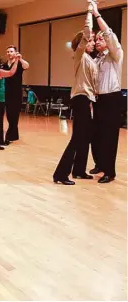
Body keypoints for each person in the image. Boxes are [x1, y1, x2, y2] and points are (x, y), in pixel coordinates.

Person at [52, 1, 97, 185]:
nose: (92, 42)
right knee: (78, 137)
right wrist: (90, 11)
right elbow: (86, 32)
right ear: (83, 43)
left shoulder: (91, 60)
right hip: (80, 98)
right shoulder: (80, 55)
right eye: (91, 40)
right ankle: (61, 174)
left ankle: (79, 170)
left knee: (85, 136)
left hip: (88, 99)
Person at [89, 0, 124, 183]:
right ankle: (100, 164)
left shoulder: (116, 55)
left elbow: (109, 35)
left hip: (111, 98)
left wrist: (96, 13)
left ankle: (109, 171)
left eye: (100, 39)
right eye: (97, 39)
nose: (98, 41)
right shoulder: (96, 60)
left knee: (109, 136)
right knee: (96, 133)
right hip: (98, 99)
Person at [2, 45, 29, 144]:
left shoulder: (19, 63)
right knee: (9, 115)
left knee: (15, 115)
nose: (9, 53)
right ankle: (14, 135)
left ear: (15, 52)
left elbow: (27, 66)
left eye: (11, 51)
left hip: (17, 92)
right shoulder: (4, 65)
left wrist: (20, 59)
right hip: (7, 92)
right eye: (8, 51)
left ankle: (9, 136)